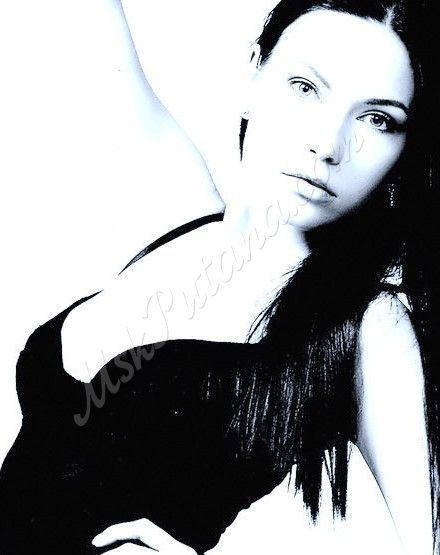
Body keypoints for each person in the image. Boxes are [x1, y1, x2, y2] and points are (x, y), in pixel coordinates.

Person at [0, 0, 438, 553]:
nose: (328, 146)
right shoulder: (172, 203)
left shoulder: (372, 327)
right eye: (306, 87)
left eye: (378, 120)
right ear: (254, 74)